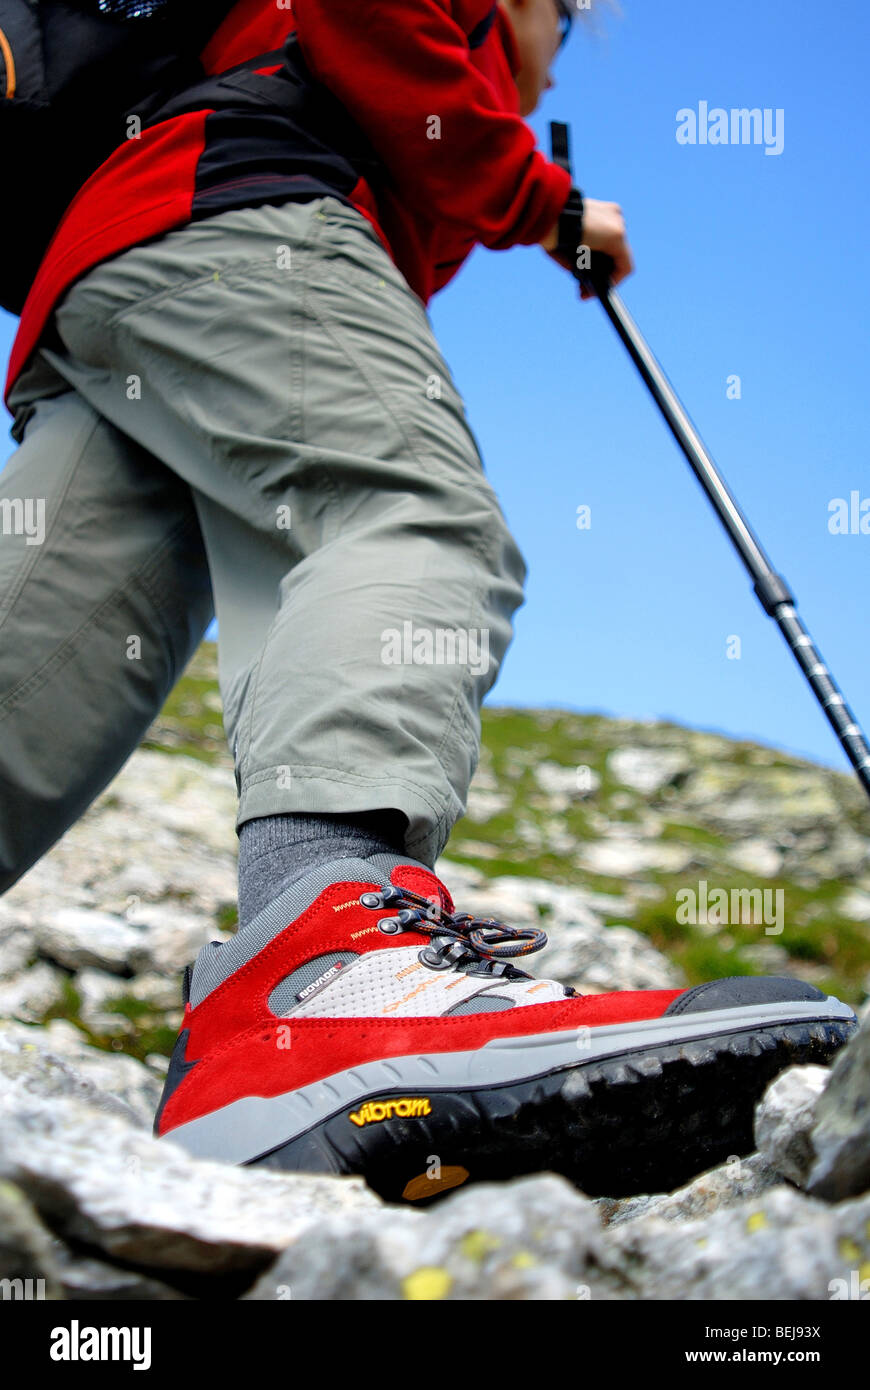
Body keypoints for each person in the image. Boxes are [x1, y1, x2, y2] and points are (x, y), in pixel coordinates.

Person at [0, 0, 854, 1203]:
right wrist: (544, 201)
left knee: (46, 660)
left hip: (119, 267)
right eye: (567, 15)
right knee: (408, 509)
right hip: (239, 222)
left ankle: (297, 1018)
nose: (562, 41)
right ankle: (326, 980)